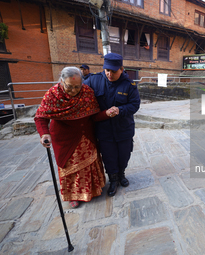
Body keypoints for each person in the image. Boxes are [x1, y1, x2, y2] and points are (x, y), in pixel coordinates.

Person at [34, 66, 116, 208]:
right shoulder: (52, 95)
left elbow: (94, 116)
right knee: (70, 167)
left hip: (86, 135)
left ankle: (93, 190)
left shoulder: (87, 93)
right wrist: (44, 134)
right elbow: (41, 117)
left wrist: (106, 113)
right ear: (61, 81)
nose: (73, 90)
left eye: (77, 87)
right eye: (69, 86)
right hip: (64, 138)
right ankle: (73, 196)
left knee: (89, 164)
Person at [84, 53, 140, 197]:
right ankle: (113, 179)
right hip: (104, 130)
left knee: (124, 155)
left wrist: (120, 110)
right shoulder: (93, 81)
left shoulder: (129, 85)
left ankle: (121, 174)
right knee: (109, 156)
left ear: (121, 69)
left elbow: (134, 105)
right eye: (107, 70)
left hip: (124, 129)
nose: (109, 74)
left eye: (113, 71)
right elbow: (78, 93)